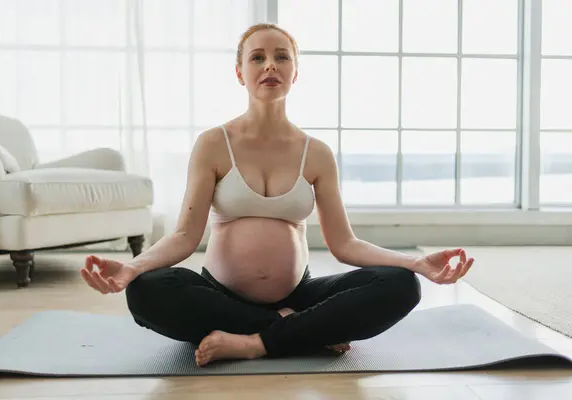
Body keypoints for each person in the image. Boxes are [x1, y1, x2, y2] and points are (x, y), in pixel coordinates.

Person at [80, 23, 475, 367]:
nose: (270, 65)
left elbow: (345, 243)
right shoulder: (214, 144)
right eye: (257, 58)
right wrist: (134, 267)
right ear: (240, 73)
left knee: (402, 285)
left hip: (298, 295)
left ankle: (255, 342)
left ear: (294, 73)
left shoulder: (316, 152)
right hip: (219, 295)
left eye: (281, 57)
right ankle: (298, 332)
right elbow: (184, 236)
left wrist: (415, 263)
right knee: (146, 290)